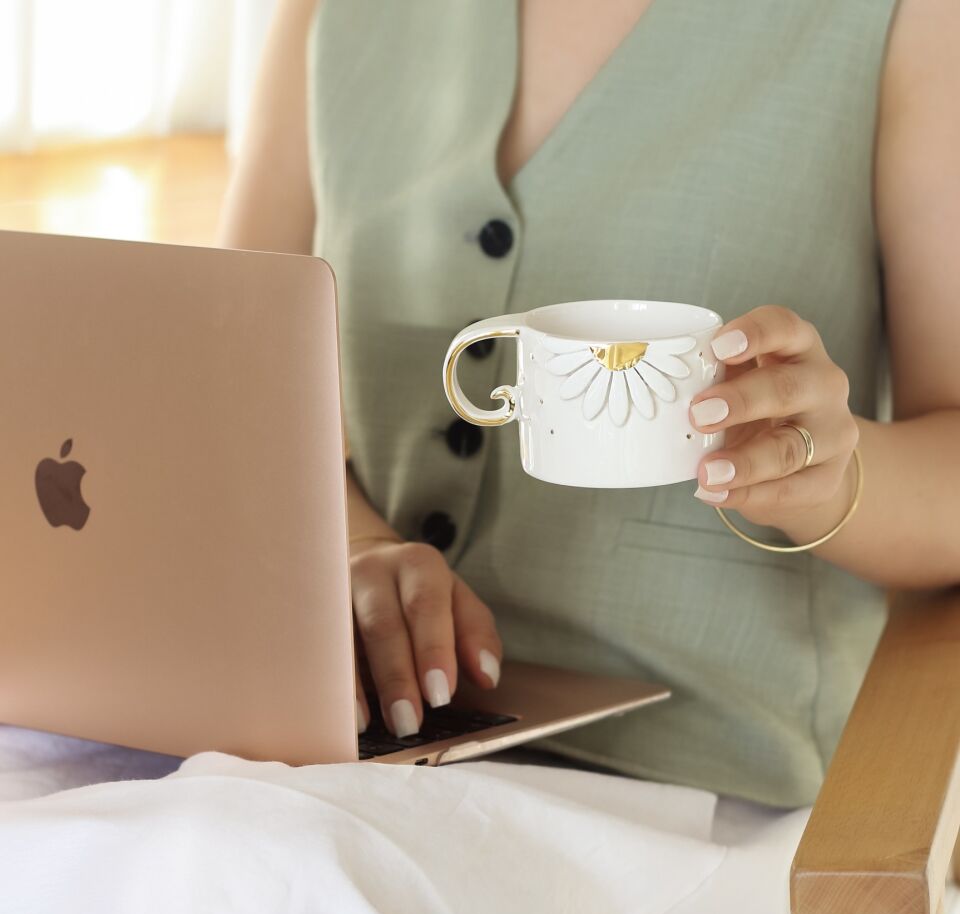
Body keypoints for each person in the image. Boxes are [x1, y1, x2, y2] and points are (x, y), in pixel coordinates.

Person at [218, 0, 960, 814]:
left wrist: (834, 476)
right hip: (340, 754)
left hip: (694, 798)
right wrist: (353, 542)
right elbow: (230, 382)